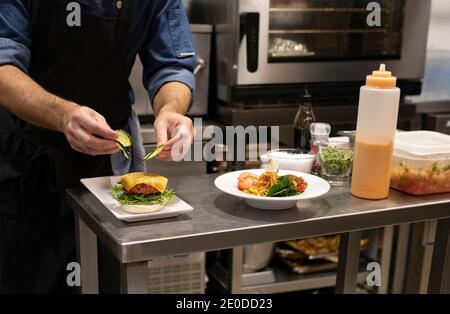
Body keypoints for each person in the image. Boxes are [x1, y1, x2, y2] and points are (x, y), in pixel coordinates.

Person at [0, 0, 196, 293]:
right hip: (29, 163)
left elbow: (172, 67)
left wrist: (170, 109)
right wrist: (63, 114)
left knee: (103, 279)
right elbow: (3, 64)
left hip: (105, 170)